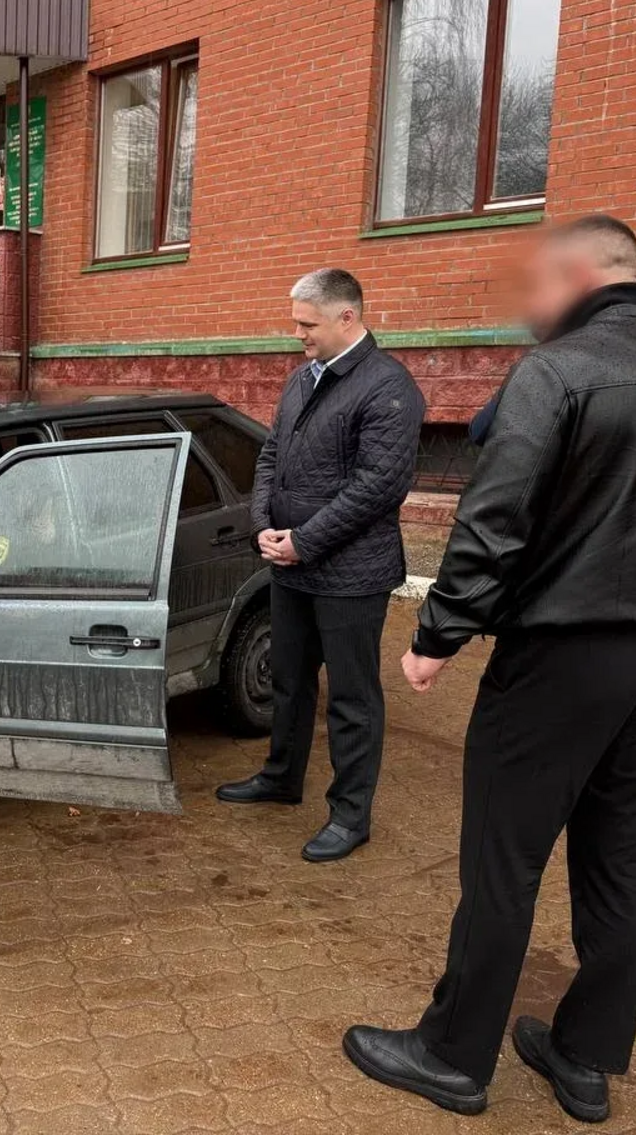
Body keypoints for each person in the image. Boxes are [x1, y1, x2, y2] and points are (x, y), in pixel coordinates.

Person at [342, 216, 636, 1121]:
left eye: (536, 285)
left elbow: (495, 518)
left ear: (577, 274)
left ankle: (451, 1055)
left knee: (504, 858)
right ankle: (584, 1055)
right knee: (619, 855)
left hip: (563, 655)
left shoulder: (555, 373)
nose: (529, 304)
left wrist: (438, 635)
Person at [215, 268, 425, 863]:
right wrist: (263, 524)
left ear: (347, 317)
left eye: (307, 324)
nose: (298, 334)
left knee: (352, 698)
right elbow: (270, 457)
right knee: (289, 680)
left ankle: (350, 814)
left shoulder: (388, 387)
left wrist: (304, 541)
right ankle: (281, 777)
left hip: (351, 575)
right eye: (296, 323)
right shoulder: (302, 377)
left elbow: (378, 487)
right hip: (291, 565)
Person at [471, 386, 636, 830]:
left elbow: (483, 430)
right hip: (600, 549)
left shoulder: (633, 382)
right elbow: (482, 428)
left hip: (623, 547)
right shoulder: (561, 377)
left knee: (608, 674)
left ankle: (616, 783)